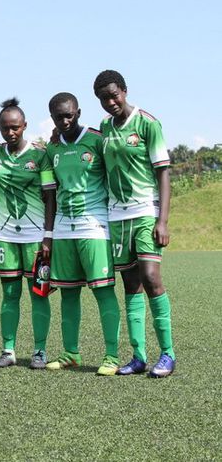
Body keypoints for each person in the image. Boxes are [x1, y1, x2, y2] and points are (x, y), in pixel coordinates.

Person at [93, 70, 176, 378]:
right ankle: (139, 355)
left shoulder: (147, 123)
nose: (110, 102)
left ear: (125, 91)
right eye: (103, 99)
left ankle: (167, 354)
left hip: (145, 212)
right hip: (117, 217)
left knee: (151, 277)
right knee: (131, 285)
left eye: (114, 95)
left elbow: (163, 173)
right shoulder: (104, 127)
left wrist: (162, 220)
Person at [43, 92, 121, 376]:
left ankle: (112, 356)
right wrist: (49, 234)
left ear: (78, 113)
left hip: (95, 225)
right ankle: (70, 353)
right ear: (52, 117)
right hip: (64, 227)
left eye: (69, 115)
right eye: (59, 117)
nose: (65, 121)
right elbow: (49, 195)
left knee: (103, 290)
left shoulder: (97, 140)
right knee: (68, 293)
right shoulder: (51, 149)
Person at [0, 98, 56, 369]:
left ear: (25, 125)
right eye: (5, 128)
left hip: (36, 239)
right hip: (6, 238)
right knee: (9, 295)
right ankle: (8, 350)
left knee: (39, 294)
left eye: (15, 127)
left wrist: (48, 235)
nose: (10, 132)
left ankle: (39, 351)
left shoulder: (40, 156)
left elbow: (50, 197)